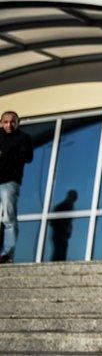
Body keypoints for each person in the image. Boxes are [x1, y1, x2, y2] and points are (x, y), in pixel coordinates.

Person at [0, 111, 33, 263]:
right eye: (6, 122)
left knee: (8, 217)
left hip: (10, 181)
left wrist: (10, 153)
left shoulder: (24, 138)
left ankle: (7, 254)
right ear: (1, 123)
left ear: (17, 123)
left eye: (12, 122)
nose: (9, 125)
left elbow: (28, 158)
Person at [49, 190, 78, 261]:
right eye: (73, 197)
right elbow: (53, 221)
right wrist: (64, 228)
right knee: (59, 253)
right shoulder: (63, 206)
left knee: (61, 253)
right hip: (59, 234)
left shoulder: (68, 206)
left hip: (62, 235)